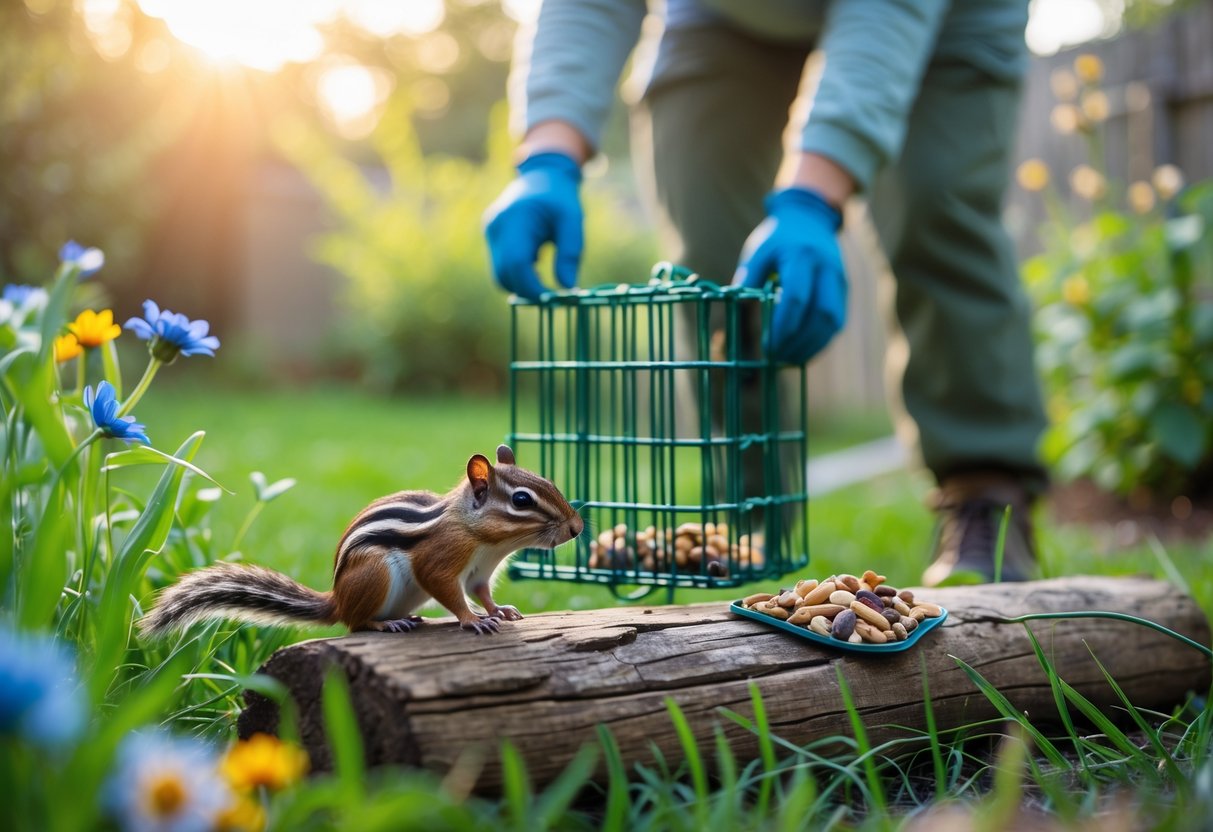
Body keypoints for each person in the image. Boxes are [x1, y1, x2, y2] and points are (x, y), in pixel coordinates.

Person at [482, 0, 1048, 585]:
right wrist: (546, 158)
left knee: (936, 212)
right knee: (715, 263)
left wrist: (812, 198)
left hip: (941, 16)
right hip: (722, 16)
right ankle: (750, 524)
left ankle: (985, 490)